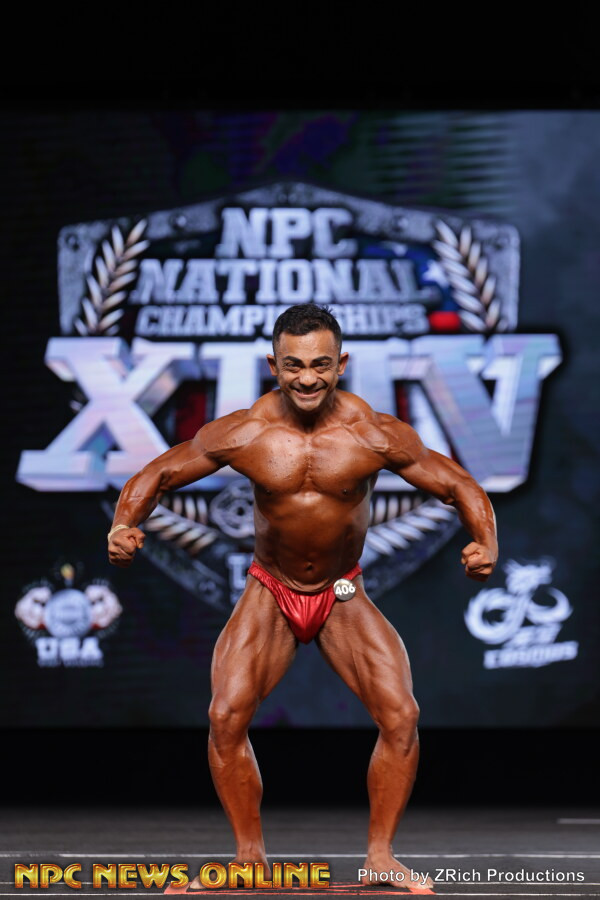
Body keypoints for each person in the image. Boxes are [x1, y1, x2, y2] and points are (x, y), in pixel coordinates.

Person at [108, 303, 498, 892]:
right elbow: (158, 473)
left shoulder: (374, 433)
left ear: (341, 364)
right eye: (293, 365)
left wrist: (485, 541)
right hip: (271, 588)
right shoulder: (245, 432)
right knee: (224, 718)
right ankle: (248, 859)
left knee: (401, 716)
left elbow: (457, 483)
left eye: (320, 364)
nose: (307, 378)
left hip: (342, 589)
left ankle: (381, 857)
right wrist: (123, 525)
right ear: (274, 365)